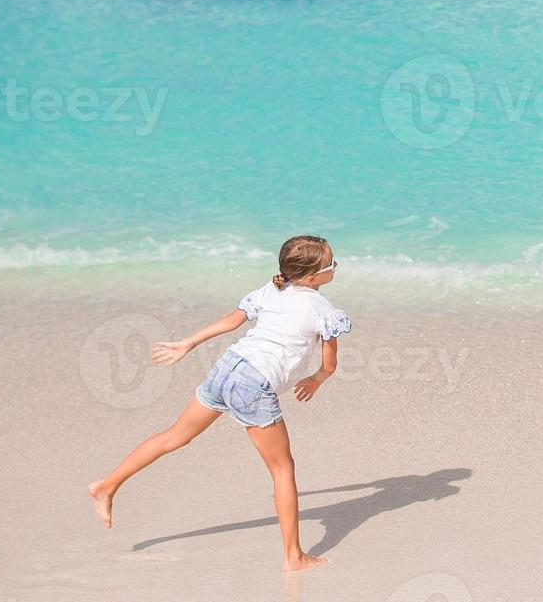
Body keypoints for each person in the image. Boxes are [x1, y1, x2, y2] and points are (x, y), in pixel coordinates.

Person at [89, 235, 351, 572]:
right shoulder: (325, 311)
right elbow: (329, 365)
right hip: (253, 384)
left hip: (228, 366)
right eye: (333, 263)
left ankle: (106, 486)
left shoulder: (274, 289)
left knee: (174, 436)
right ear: (314, 277)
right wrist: (316, 380)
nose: (336, 266)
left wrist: (188, 343)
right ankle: (294, 557)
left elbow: (232, 320)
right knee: (283, 470)